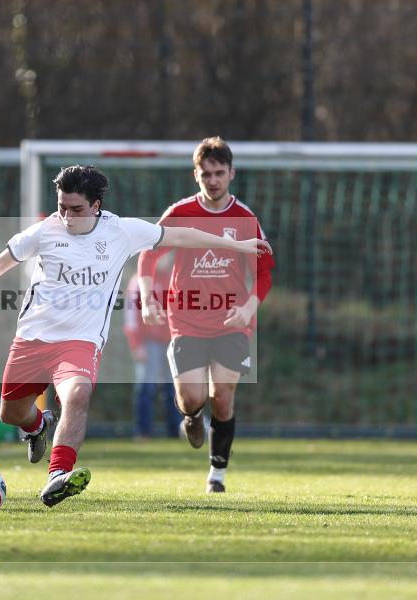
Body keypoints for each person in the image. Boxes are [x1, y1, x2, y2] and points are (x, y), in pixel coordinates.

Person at [0, 164, 271, 507]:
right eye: (61, 207)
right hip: (33, 337)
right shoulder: (45, 231)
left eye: (76, 209)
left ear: (96, 206)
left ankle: (58, 475)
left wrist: (239, 246)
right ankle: (37, 425)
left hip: (81, 342)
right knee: (10, 414)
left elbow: (181, 235)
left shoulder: (121, 231)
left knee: (78, 395)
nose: (67, 216)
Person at [137, 137, 276, 493]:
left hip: (231, 320)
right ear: (195, 175)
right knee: (193, 398)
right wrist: (148, 295)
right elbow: (149, 254)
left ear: (231, 173)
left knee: (223, 395)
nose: (213, 180)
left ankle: (217, 474)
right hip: (186, 318)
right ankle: (191, 416)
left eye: (219, 173)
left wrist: (249, 307)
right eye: (206, 174)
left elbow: (264, 271)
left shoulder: (245, 218)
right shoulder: (181, 213)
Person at [123, 269, 181, 439]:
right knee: (146, 388)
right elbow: (131, 316)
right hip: (149, 343)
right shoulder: (138, 279)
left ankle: (176, 432)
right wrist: (136, 345)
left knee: (174, 389)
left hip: (172, 342)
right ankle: (143, 432)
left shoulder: (174, 276)